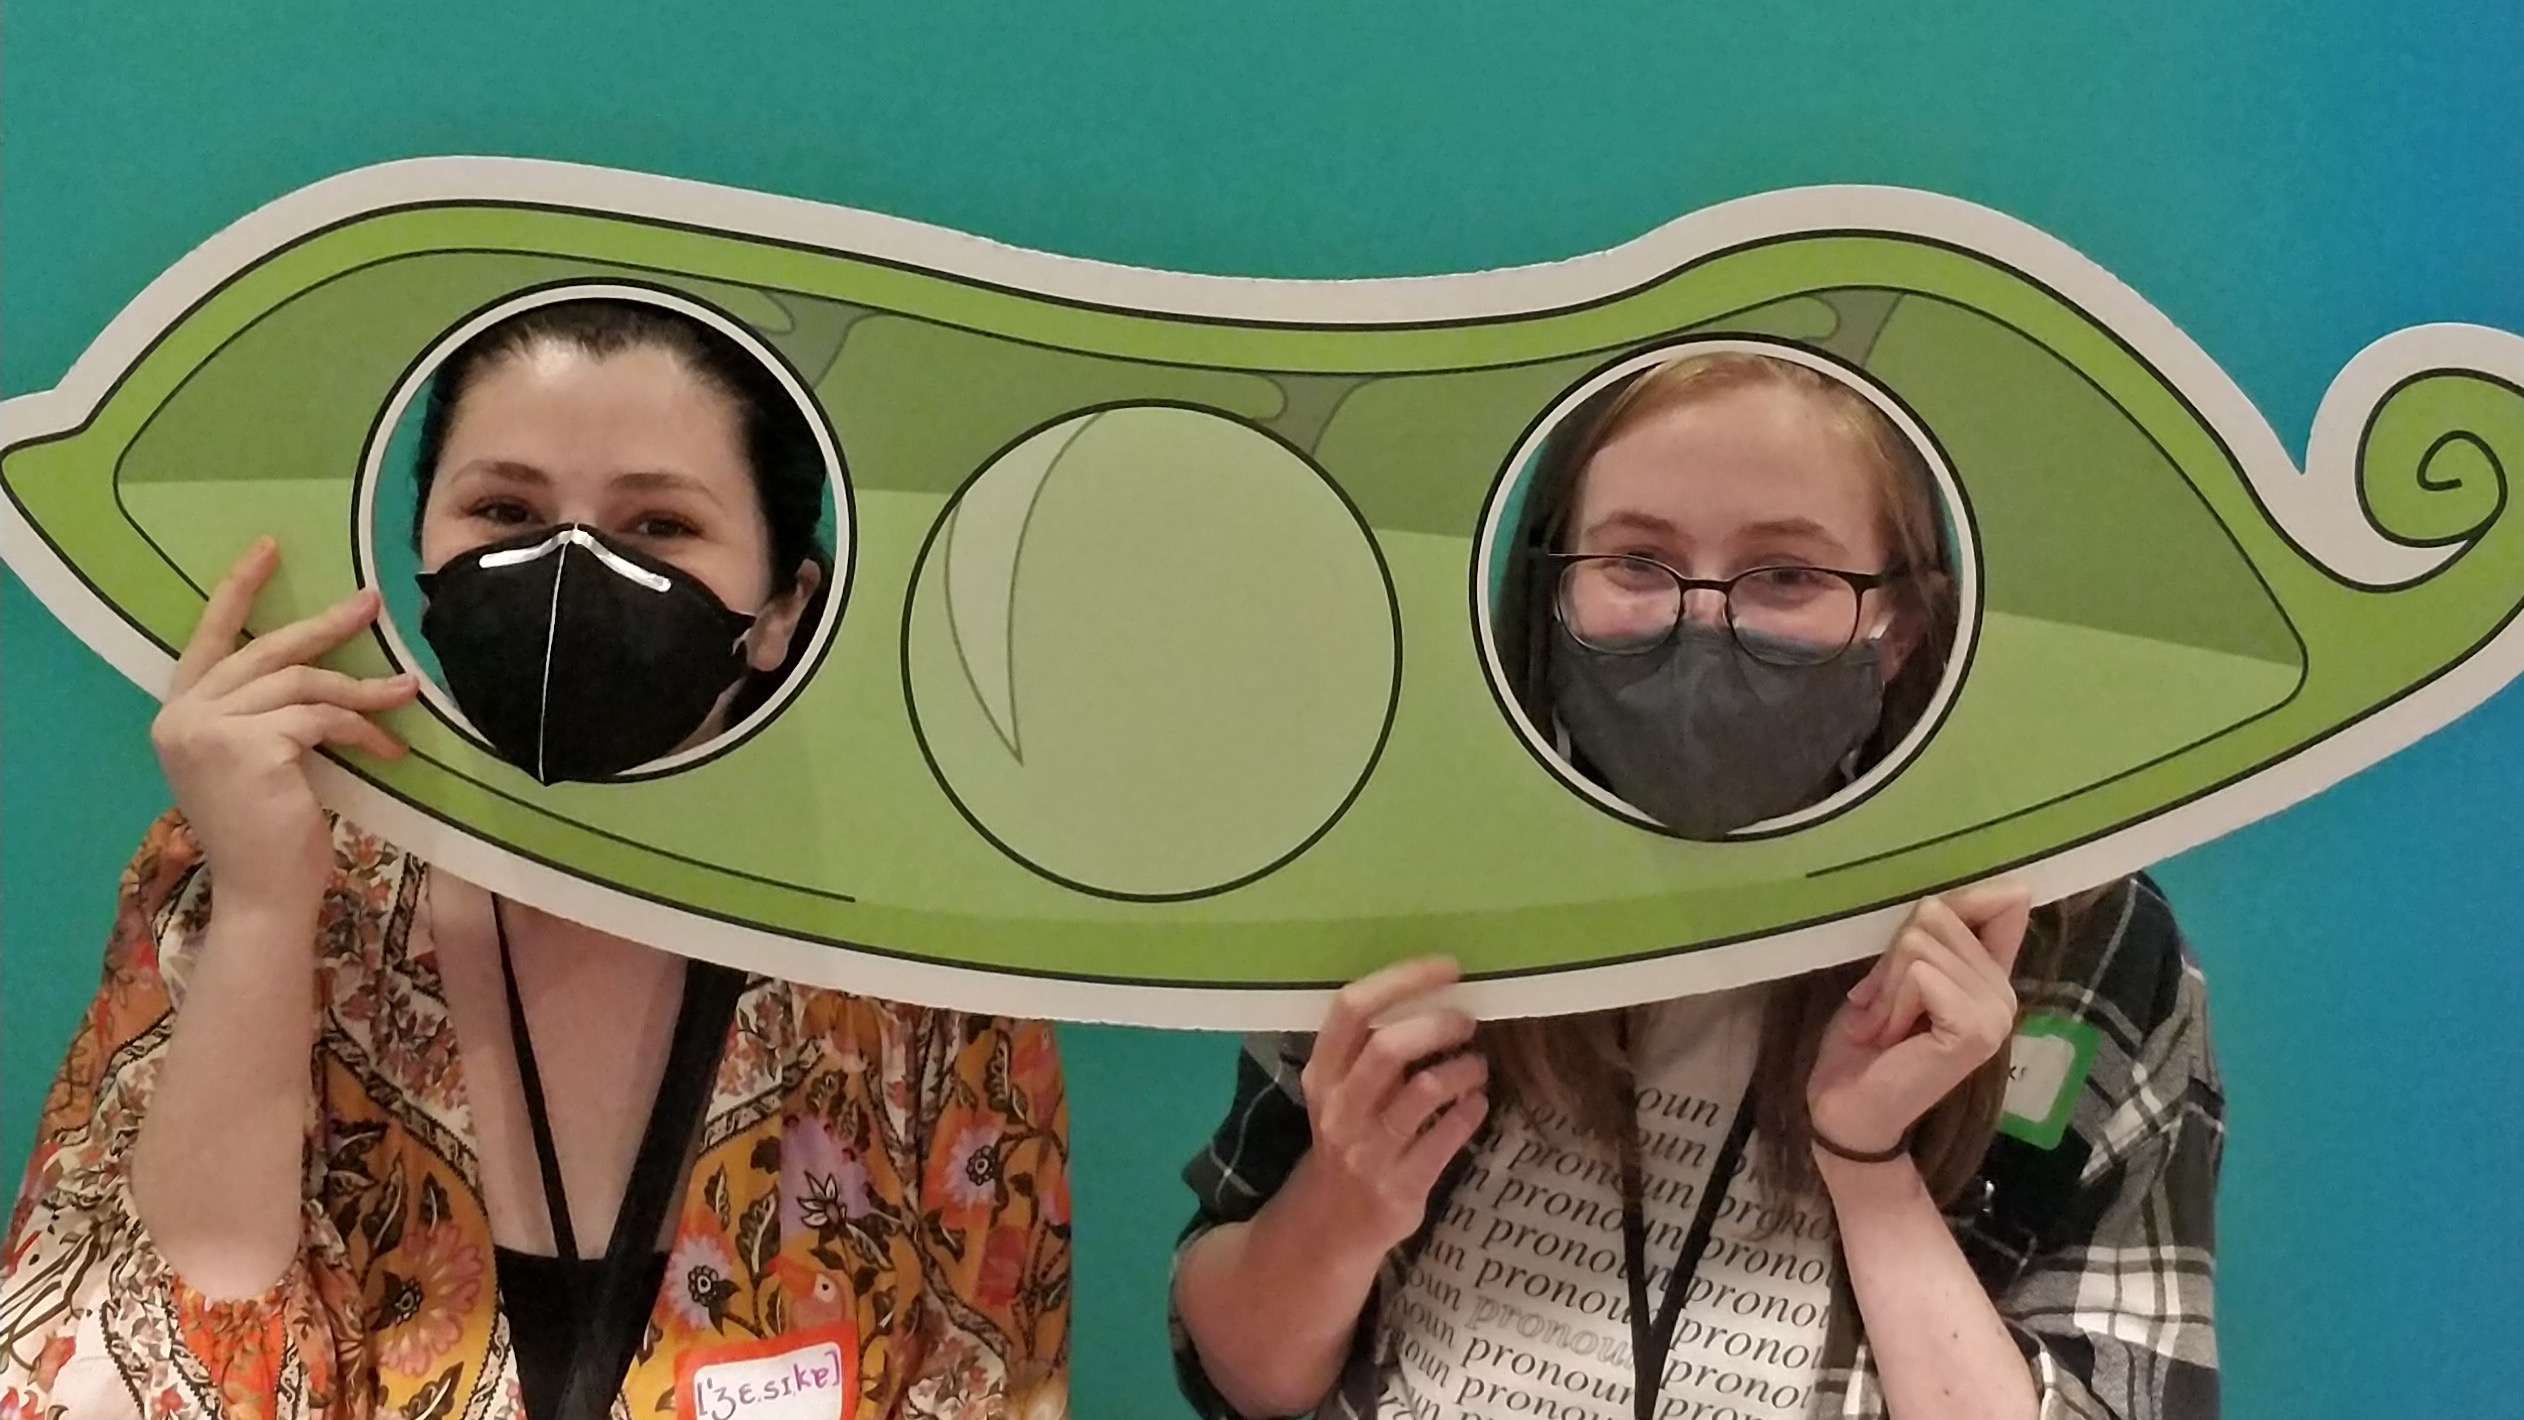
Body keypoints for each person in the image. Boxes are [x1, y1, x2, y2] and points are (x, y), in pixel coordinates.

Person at [0, 299, 1071, 1420]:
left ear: (781, 608)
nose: (566, 564)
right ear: (415, 550)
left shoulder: (923, 979)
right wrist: (267, 910)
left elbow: (995, 1375)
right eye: (503, 508)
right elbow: (129, 1378)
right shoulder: (248, 878)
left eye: (658, 524)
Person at [1170, 350, 2222, 1420]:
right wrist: (1348, 1202)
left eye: (1787, 575)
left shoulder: (2069, 938)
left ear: (1899, 627)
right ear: (1554, 586)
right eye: (1634, 560)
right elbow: (1246, 1373)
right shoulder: (1422, 893)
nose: (1703, 620)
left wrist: (1869, 1164)